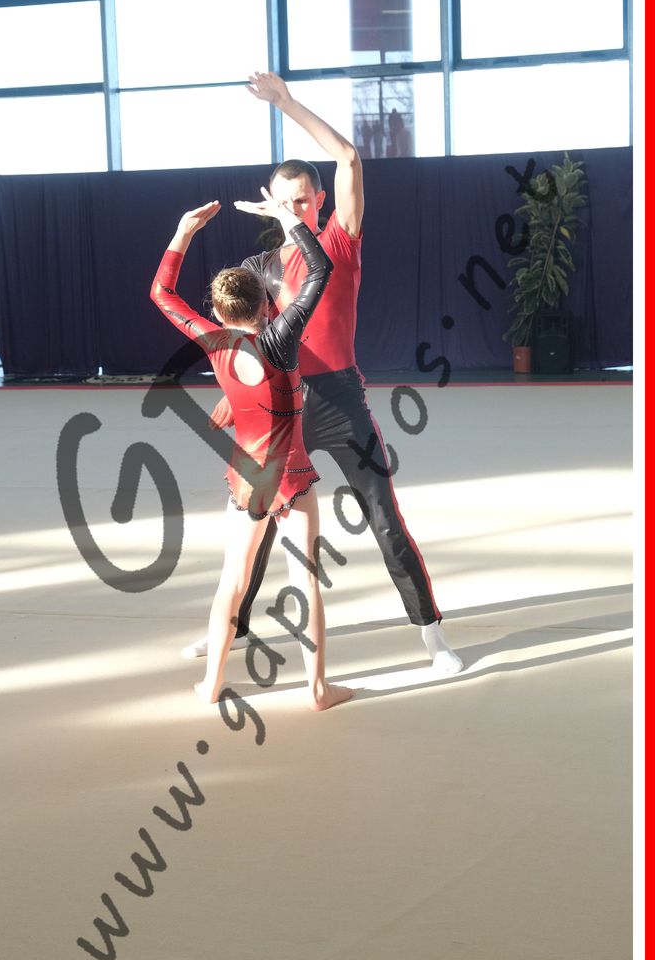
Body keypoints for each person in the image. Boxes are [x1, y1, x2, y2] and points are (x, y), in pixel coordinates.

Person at [182, 71, 463, 676]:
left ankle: (433, 635)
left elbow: (349, 157)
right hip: (282, 405)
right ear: (272, 201)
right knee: (258, 521)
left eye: (305, 199)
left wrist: (286, 102)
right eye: (286, 201)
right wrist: (233, 396)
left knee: (384, 517)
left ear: (320, 202)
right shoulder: (260, 266)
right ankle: (229, 627)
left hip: (341, 399)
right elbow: (247, 339)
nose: (297, 208)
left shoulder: (339, 243)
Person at [150, 194, 353, 712]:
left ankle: (211, 684)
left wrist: (182, 233)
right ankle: (317, 689)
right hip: (292, 476)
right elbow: (321, 270)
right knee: (305, 581)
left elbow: (162, 294)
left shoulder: (214, 342)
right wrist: (288, 219)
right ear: (267, 305)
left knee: (233, 582)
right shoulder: (281, 339)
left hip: (246, 479)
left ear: (218, 311)